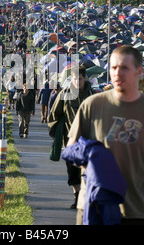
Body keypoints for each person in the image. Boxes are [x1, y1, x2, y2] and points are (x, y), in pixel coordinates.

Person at [67, 45, 144, 224]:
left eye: (124, 68)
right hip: (93, 205)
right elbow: (71, 147)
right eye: (114, 68)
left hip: (134, 210)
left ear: (139, 71)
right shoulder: (92, 105)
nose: (117, 73)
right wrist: (91, 158)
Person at [48, 65, 95, 209]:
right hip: (71, 140)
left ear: (84, 78)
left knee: (88, 170)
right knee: (72, 171)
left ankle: (87, 197)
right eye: (74, 79)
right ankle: (77, 196)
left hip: (88, 140)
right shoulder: (65, 93)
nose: (76, 82)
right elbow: (54, 114)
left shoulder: (92, 94)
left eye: (79, 79)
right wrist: (56, 132)